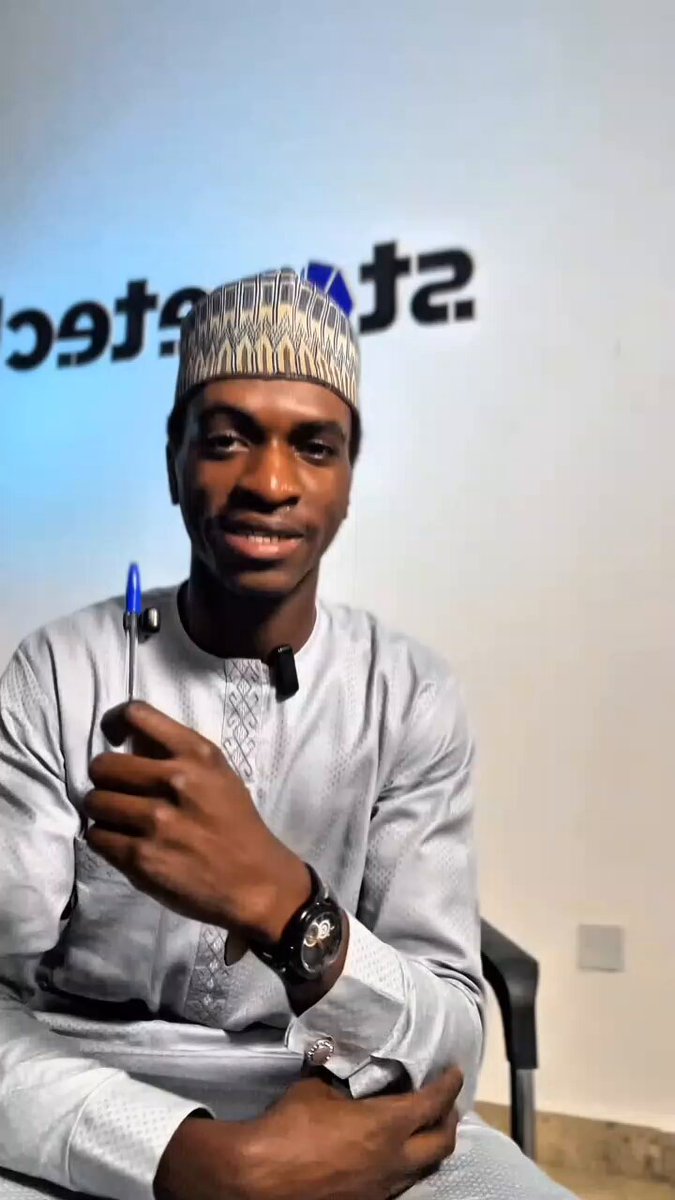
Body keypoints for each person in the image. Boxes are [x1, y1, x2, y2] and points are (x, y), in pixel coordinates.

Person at [0, 268, 575, 1200]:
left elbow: (450, 1043)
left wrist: (286, 906)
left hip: (339, 1094)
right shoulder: (62, 672)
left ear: (348, 479)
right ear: (174, 458)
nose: (269, 484)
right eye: (226, 439)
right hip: (84, 1093)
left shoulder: (405, 695)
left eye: (313, 447)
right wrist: (193, 1160)